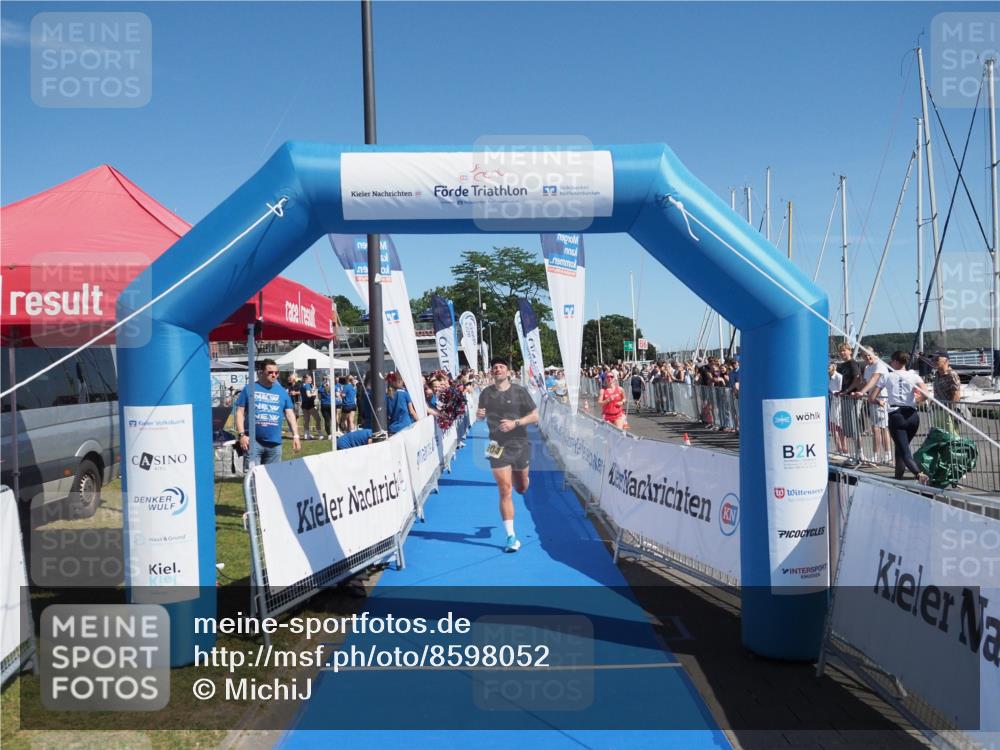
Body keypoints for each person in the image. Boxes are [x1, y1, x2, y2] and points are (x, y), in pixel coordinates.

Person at [476, 357, 539, 553]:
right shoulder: (486, 393)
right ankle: (511, 536)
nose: (497, 369)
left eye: (501, 367)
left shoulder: (520, 391)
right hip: (496, 445)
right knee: (505, 489)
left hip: (519, 444)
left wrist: (515, 423)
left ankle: (522, 478)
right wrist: (479, 416)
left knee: (520, 487)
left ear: (508, 372)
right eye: (494, 367)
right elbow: (481, 414)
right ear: (491, 373)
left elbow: (535, 416)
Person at [235, 359, 301, 465]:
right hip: (253, 442)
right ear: (261, 373)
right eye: (270, 372)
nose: (274, 375)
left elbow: (289, 414)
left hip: (275, 444)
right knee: (253, 478)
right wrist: (242, 435)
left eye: (276, 372)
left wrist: (296, 436)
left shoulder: (282, 392)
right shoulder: (249, 389)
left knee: (272, 478)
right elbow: (239, 412)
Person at [883, 351, 929, 483]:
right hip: (913, 416)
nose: (890, 364)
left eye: (891, 361)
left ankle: (919, 474)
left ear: (896, 361)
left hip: (897, 416)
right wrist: (919, 399)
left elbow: (872, 395)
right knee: (901, 447)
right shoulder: (914, 376)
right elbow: (926, 394)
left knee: (905, 452)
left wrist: (874, 400)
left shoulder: (887, 376)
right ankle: (898, 478)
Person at [855, 349, 892, 465]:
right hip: (872, 399)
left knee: (879, 428)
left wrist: (862, 392)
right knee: (878, 428)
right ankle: (886, 454)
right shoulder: (867, 368)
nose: (868, 358)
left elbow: (874, 380)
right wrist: (853, 390)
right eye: (865, 356)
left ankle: (878, 455)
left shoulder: (879, 365)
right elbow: (865, 382)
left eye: (869, 355)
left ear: (874, 354)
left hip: (881, 398)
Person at [834, 343, 864, 466]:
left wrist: (847, 391)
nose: (842, 353)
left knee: (854, 427)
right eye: (840, 351)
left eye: (844, 351)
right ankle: (856, 454)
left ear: (850, 351)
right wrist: (841, 391)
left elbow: (857, 379)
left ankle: (860, 454)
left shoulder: (852, 363)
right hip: (845, 397)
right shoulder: (842, 365)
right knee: (849, 428)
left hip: (852, 398)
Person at [932, 353, 962, 434]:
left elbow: (956, 394)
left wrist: (950, 411)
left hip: (948, 411)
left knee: (952, 436)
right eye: (933, 359)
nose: (934, 361)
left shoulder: (952, 375)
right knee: (941, 436)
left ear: (946, 361)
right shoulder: (937, 375)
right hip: (938, 411)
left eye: (937, 359)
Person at [299, 374, 319, 440]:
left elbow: (305, 394)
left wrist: (312, 390)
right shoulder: (307, 385)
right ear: (305, 379)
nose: (311, 380)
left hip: (304, 405)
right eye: (309, 378)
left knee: (306, 420)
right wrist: (315, 393)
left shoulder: (302, 386)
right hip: (309, 404)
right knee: (318, 418)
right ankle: (320, 433)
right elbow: (308, 395)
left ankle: (306, 434)